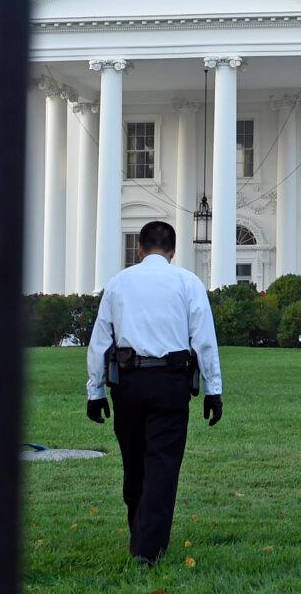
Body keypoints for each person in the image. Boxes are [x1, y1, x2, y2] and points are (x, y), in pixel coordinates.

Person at [85, 220, 223, 565]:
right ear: (173, 251)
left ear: (139, 249)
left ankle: (141, 536)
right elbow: (204, 340)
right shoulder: (188, 283)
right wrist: (213, 390)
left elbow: (100, 341)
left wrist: (95, 392)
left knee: (134, 464)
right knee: (162, 463)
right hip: (171, 382)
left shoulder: (118, 284)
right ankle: (148, 547)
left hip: (128, 382)